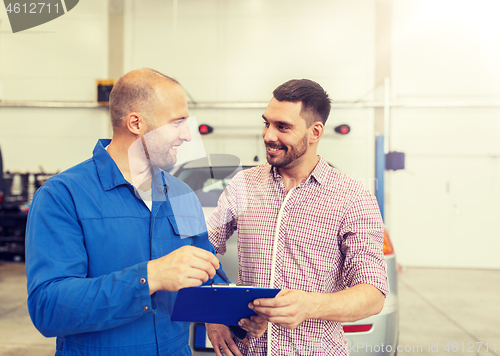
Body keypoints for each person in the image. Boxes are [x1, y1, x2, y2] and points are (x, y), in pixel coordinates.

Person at [25, 68, 228, 355]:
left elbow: (207, 272)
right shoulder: (63, 196)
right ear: (136, 122)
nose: (187, 136)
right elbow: (48, 308)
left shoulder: (181, 194)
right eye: (177, 123)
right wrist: (150, 277)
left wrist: (232, 312)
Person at [205, 79, 389, 356]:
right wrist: (213, 314)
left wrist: (310, 305)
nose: (268, 135)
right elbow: (199, 248)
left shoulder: (352, 197)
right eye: (267, 123)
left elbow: (373, 294)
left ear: (315, 132)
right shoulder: (243, 185)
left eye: (283, 127)